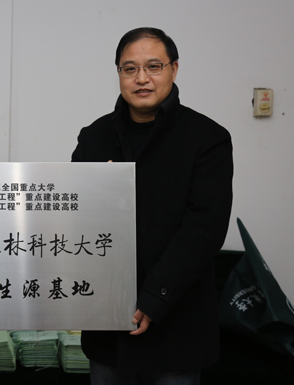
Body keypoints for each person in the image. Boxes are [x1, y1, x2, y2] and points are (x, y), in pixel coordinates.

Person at [72, 28, 233, 384]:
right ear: (119, 74)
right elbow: (72, 217)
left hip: (176, 321)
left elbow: (204, 229)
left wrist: (155, 296)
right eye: (129, 69)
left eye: (153, 66)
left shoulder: (207, 138)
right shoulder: (94, 137)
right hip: (108, 323)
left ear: (174, 69)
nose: (141, 78)